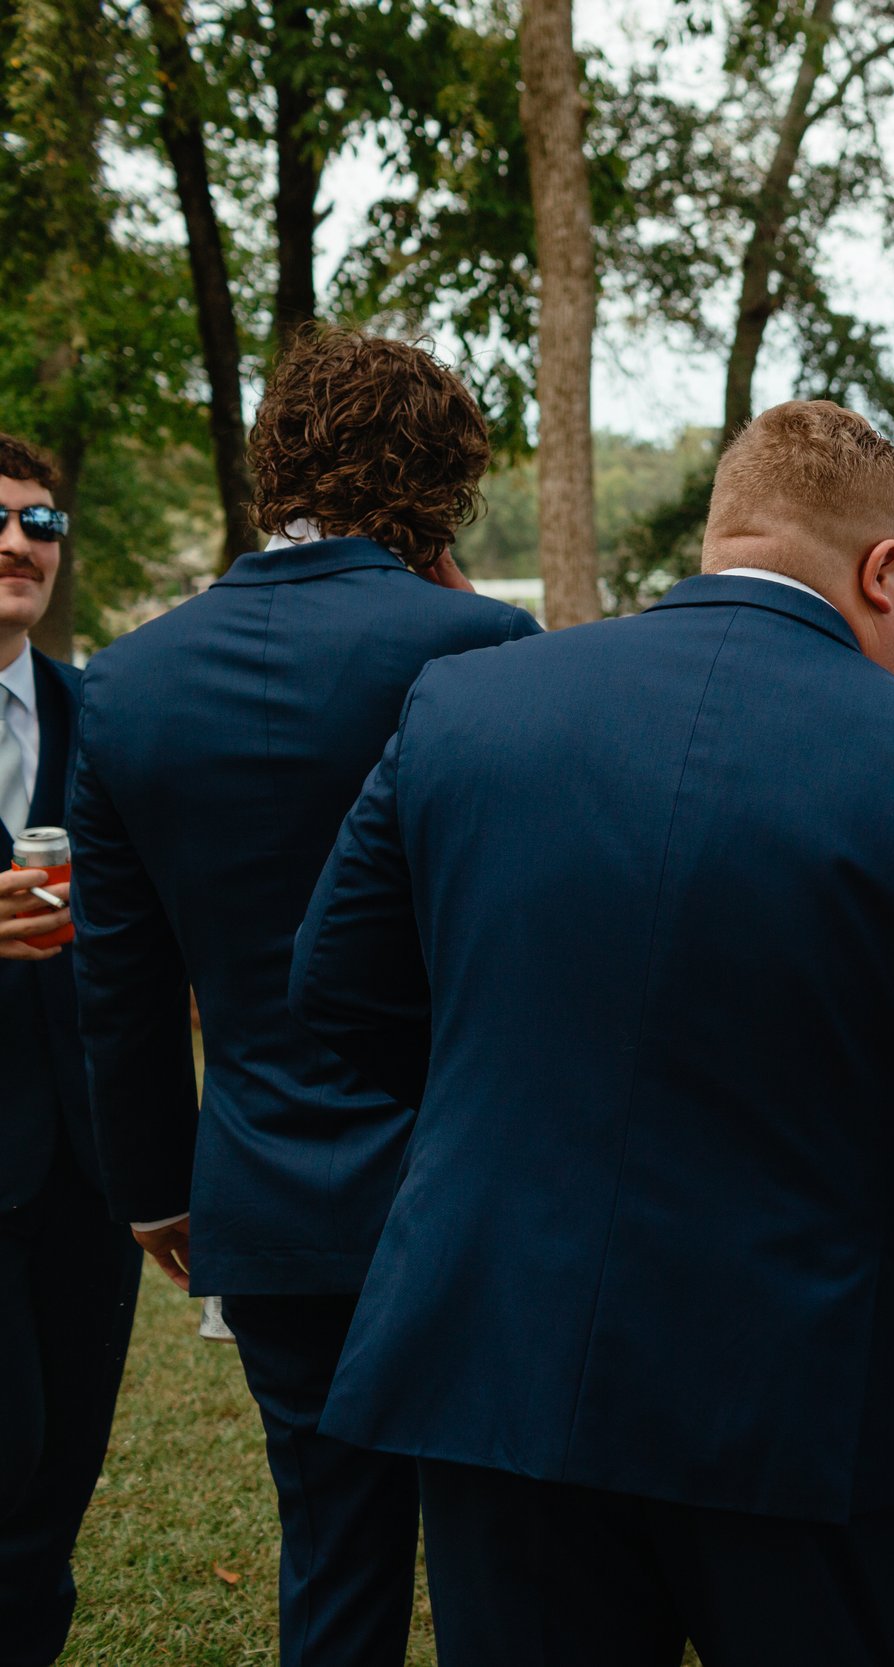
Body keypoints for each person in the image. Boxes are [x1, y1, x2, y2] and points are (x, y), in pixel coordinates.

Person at [286, 401, 894, 1665]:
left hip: (502, 1361)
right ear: (884, 569)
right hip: (807, 1395)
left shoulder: (466, 705)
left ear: (726, 535)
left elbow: (334, 992)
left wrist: (499, 1097)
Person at [70, 329, 541, 1666]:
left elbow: (123, 975)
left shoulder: (127, 683)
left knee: (332, 1550)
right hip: (467, 1191)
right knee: (504, 1562)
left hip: (263, 1194)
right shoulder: (482, 647)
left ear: (274, 460)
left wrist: (160, 1186)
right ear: (441, 483)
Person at [0, 434, 141, 1665]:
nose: (17, 544)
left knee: (60, 1481)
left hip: (87, 1168)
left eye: (39, 524)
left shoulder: (98, 710)